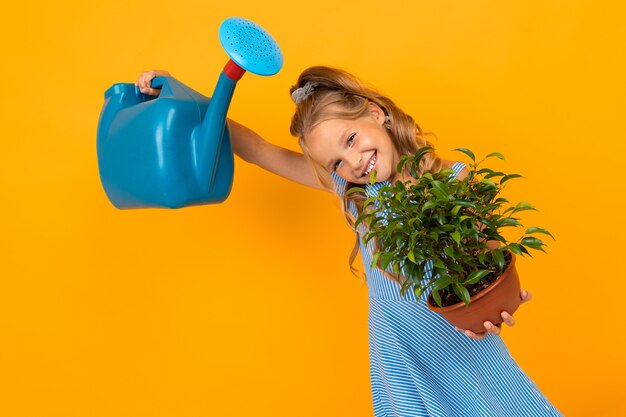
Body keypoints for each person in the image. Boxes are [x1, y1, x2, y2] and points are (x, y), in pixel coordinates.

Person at [135, 67, 563, 416]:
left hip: (459, 349)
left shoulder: (452, 182)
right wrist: (182, 100)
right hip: (400, 357)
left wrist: (503, 301)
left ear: (375, 113)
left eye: (351, 140)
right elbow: (259, 149)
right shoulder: (356, 196)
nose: (353, 162)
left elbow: (487, 257)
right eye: (336, 162)